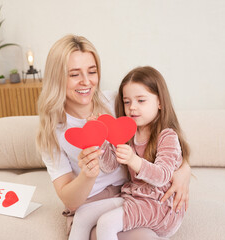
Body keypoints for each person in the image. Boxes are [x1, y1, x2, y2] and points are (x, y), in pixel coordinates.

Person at [36, 34, 191, 239]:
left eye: (92, 71)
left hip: (132, 193)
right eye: (74, 74)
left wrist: (183, 172)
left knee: (134, 233)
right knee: (96, 227)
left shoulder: (118, 103)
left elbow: (162, 137)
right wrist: (88, 174)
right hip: (91, 200)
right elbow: (70, 200)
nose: (86, 81)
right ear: (57, 77)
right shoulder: (52, 130)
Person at [69, 66, 190, 239]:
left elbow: (162, 176)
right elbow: (110, 166)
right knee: (83, 215)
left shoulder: (167, 136)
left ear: (160, 102)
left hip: (159, 205)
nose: (132, 107)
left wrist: (134, 160)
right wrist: (99, 138)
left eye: (141, 100)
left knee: (106, 223)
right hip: (135, 196)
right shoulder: (128, 132)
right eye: (127, 102)